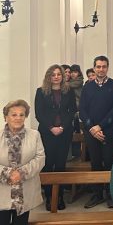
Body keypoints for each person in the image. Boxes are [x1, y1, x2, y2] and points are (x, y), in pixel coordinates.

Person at [0, 100, 45, 225]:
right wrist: (8, 173)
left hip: (25, 191)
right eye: (14, 114)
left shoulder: (34, 135)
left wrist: (23, 173)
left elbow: (40, 157)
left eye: (21, 114)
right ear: (6, 116)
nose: (18, 118)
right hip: (2, 190)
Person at [79, 55, 113, 209]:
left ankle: (111, 195)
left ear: (107, 68)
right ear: (94, 68)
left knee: (110, 163)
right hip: (91, 132)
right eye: (98, 66)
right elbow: (82, 110)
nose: (101, 69)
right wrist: (92, 127)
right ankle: (97, 194)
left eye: (104, 66)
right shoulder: (87, 87)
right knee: (95, 163)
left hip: (108, 131)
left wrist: (101, 126)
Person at [34, 64, 76, 210]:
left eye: (59, 74)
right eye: (53, 74)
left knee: (60, 164)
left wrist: (62, 127)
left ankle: (59, 196)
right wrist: (51, 127)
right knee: (47, 164)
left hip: (64, 133)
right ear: (48, 77)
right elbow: (39, 113)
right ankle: (49, 196)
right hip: (47, 133)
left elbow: (72, 110)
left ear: (63, 76)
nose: (56, 77)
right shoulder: (41, 92)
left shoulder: (68, 91)